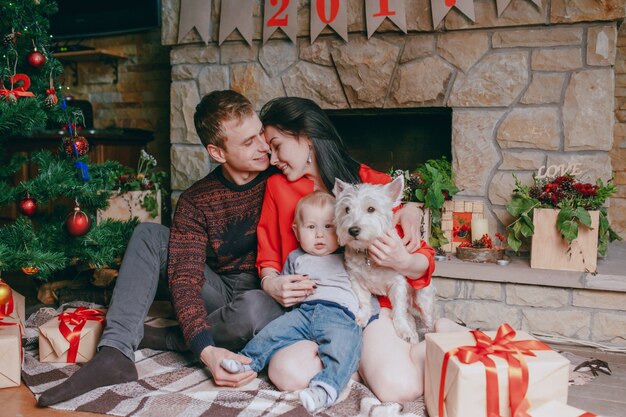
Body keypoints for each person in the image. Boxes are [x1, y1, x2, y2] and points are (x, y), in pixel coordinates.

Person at [37, 90, 284, 407]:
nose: (264, 146)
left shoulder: (281, 175)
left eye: (260, 134)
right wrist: (206, 352)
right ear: (217, 152)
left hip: (267, 292)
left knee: (255, 306)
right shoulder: (197, 199)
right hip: (221, 291)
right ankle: (115, 352)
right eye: (248, 142)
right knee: (149, 233)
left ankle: (171, 338)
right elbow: (184, 278)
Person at [255, 97, 436, 403]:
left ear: (306, 137)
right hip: (316, 308)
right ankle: (358, 363)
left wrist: (405, 244)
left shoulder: (367, 180)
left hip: (371, 306)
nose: (273, 158)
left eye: (277, 146)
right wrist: (271, 282)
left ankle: (416, 345)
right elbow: (268, 254)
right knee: (287, 374)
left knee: (399, 389)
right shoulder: (276, 188)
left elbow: (421, 259)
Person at [222, 191, 372, 413]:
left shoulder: (348, 256)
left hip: (340, 315)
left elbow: (367, 288)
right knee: (271, 333)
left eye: (328, 227)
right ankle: (245, 361)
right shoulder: (295, 257)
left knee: (344, 347)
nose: (320, 235)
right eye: (311, 227)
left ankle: (325, 388)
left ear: (341, 228)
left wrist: (367, 317)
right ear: (296, 231)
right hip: (303, 313)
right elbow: (285, 291)